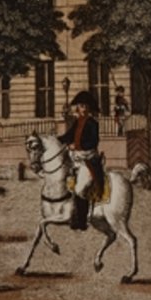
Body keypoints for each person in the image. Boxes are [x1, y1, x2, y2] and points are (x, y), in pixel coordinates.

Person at [58, 90, 104, 230]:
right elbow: (68, 136)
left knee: (80, 189)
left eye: (84, 106)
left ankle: (81, 221)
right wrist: (54, 140)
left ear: (89, 108)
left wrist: (76, 146)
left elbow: (93, 142)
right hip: (76, 159)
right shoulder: (77, 122)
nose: (82, 109)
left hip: (88, 160)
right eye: (80, 106)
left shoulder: (92, 123)